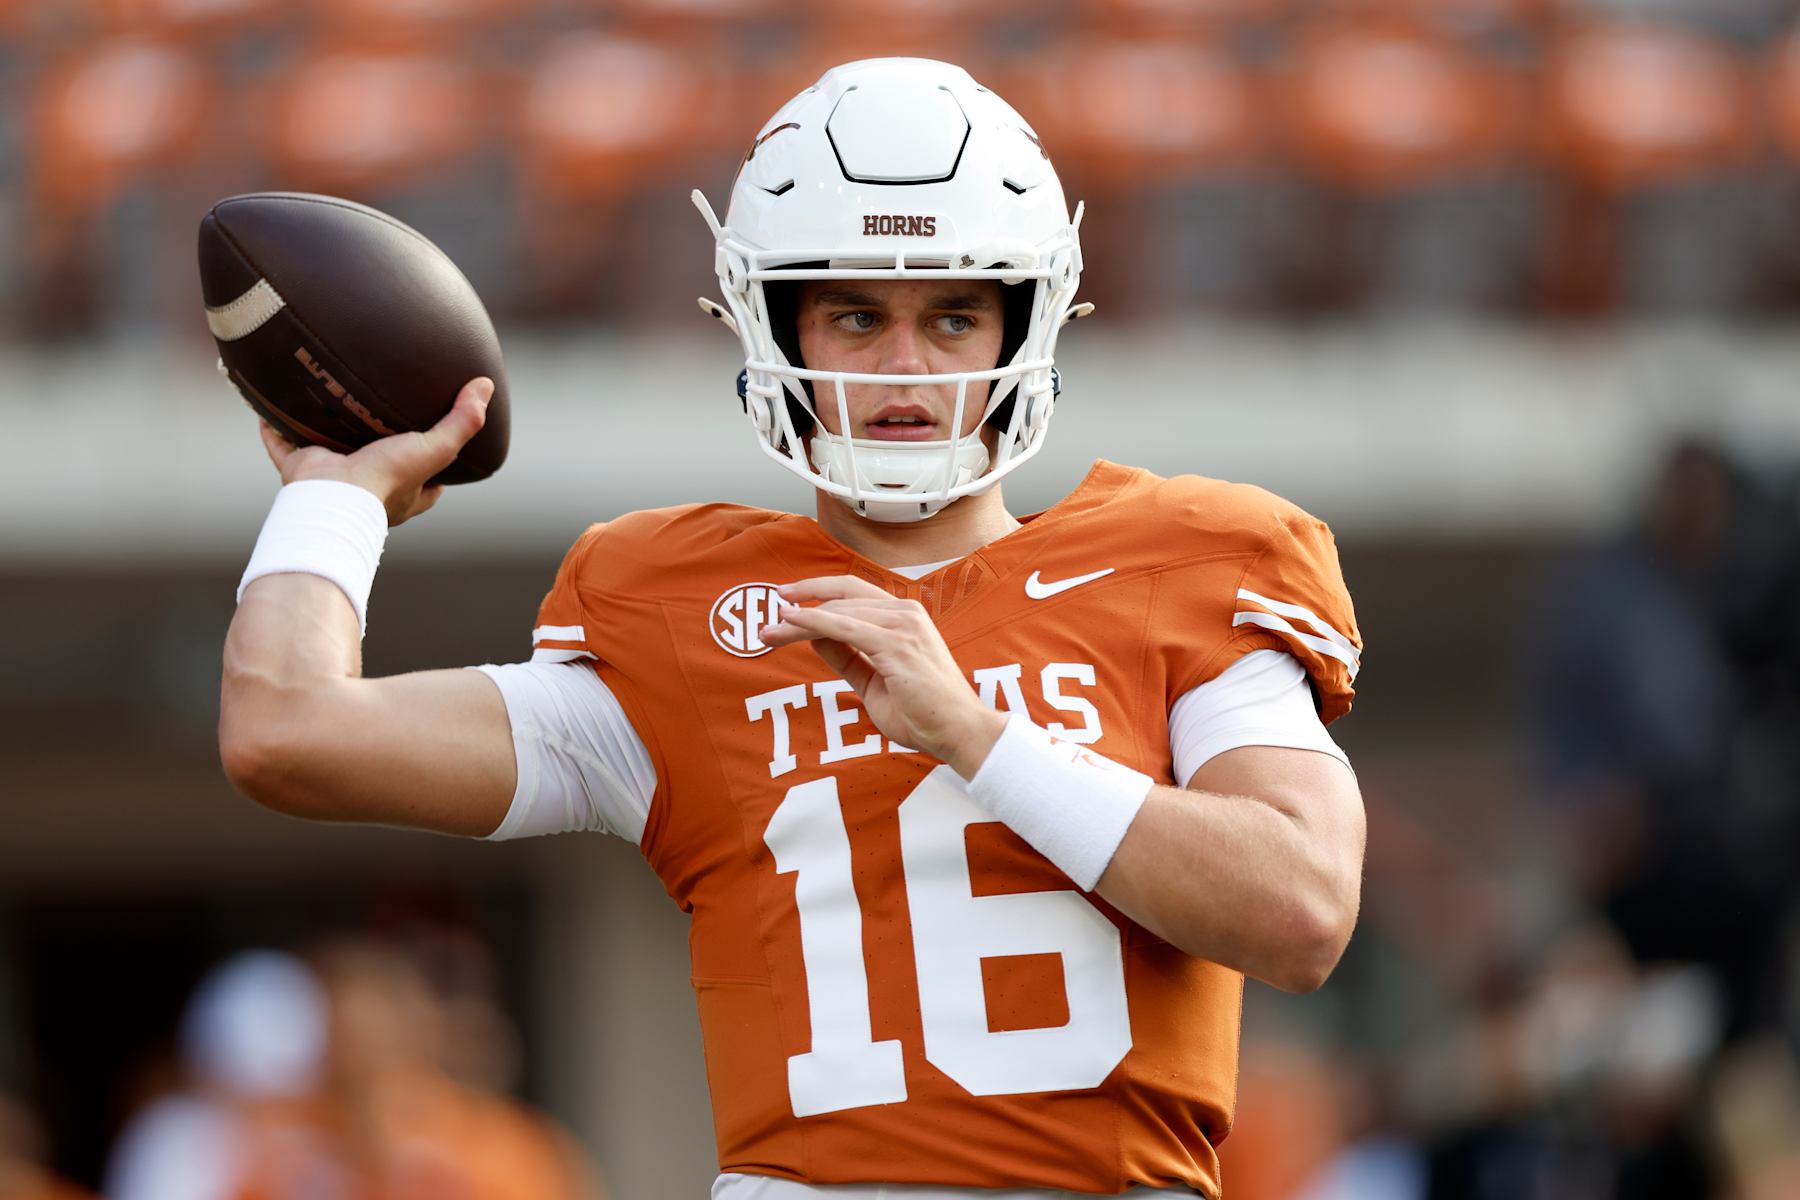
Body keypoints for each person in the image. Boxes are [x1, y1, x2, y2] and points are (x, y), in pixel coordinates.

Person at [219, 58, 1367, 1198]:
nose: (905, 369)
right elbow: (287, 730)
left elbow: (1304, 910)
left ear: (1027, 324)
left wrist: (975, 734)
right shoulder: (683, 616)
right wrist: (334, 497)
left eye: (955, 315)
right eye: (857, 316)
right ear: (774, 327)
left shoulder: (1181, 562)